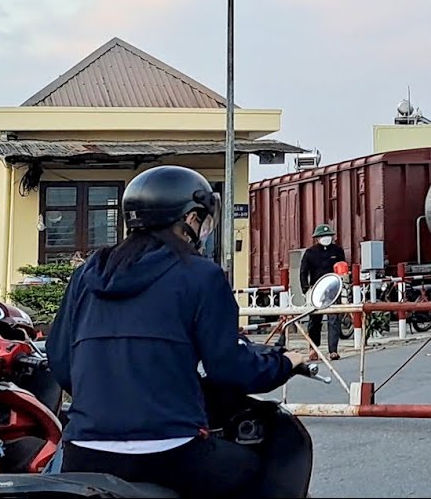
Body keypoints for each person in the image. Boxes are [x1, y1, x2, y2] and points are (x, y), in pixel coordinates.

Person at [45, 165, 308, 499]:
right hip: (169, 452)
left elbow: (62, 362)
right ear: (190, 220)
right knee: (261, 467)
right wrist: (285, 363)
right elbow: (230, 368)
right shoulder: (202, 275)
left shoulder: (86, 275)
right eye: (200, 219)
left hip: (85, 453)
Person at [300, 223, 346, 361]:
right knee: (315, 320)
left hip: (334, 289)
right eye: (322, 236)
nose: (326, 238)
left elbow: (342, 269)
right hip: (316, 289)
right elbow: (303, 272)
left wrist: (343, 286)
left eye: (328, 236)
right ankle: (313, 348)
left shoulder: (338, 251)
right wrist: (305, 289)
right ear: (317, 238)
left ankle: (333, 350)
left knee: (334, 319)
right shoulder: (310, 253)